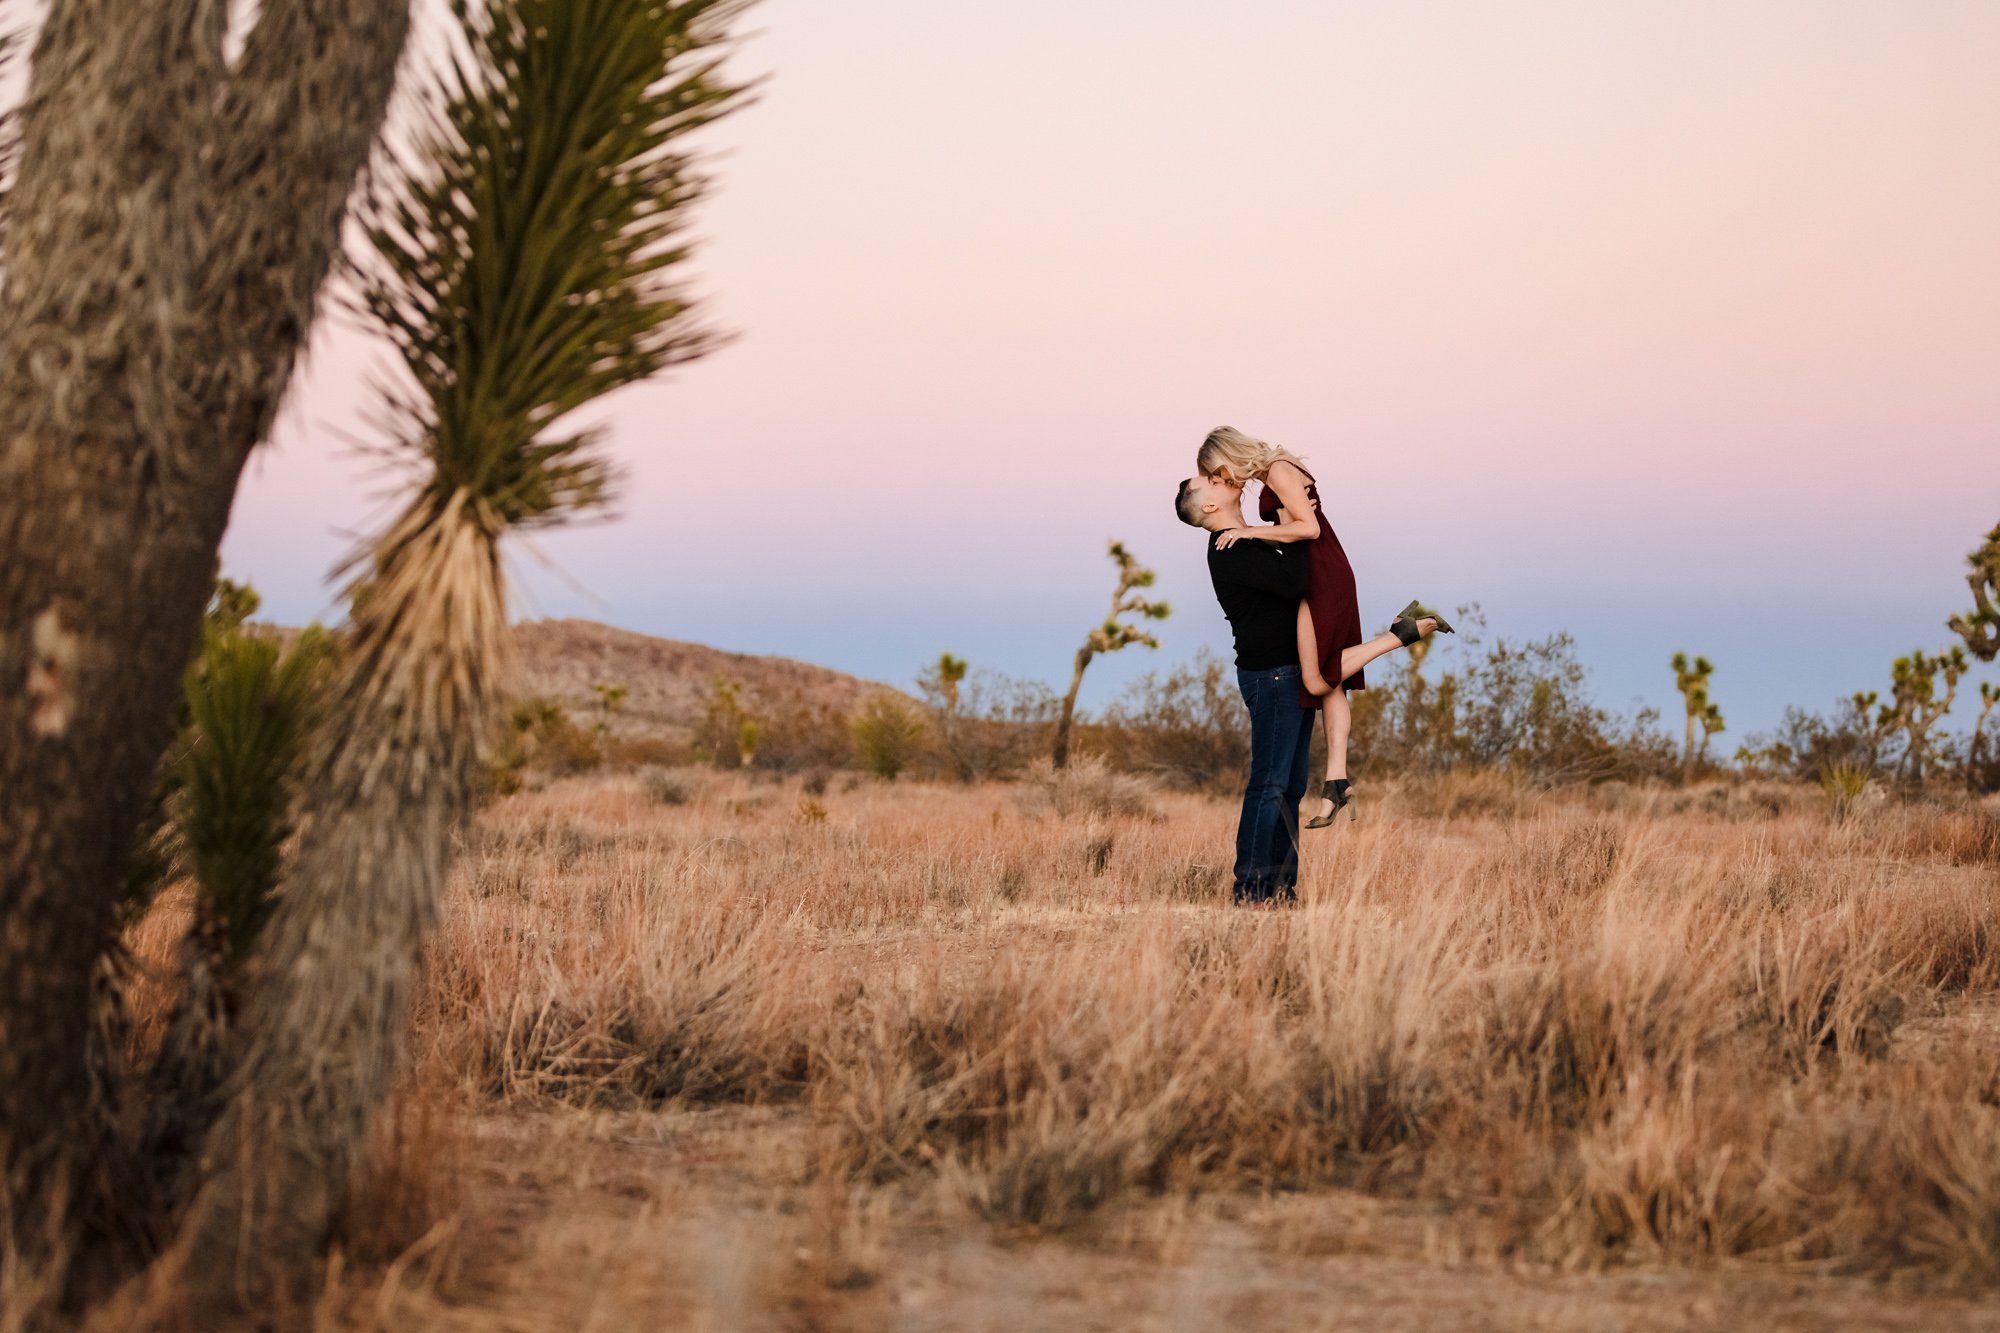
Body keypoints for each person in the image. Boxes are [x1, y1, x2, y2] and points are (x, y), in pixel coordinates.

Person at [1176, 471, 1440, 904]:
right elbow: (1297, 582)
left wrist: (1281, 527)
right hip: (1272, 676)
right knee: (1270, 784)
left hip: (1288, 672)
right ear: (1208, 506)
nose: (1222, 477)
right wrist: (1290, 520)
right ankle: (1252, 890)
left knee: (1290, 785)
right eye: (1211, 481)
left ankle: (1281, 889)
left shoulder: (1246, 539)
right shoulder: (1230, 548)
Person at [1195, 425, 1451, 826]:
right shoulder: (1271, 473)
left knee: (1315, 680)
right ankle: (1336, 782)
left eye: (1215, 473)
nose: (1220, 482)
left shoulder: (1278, 469)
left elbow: (1309, 528)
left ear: (1227, 458)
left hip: (1321, 574)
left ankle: (1399, 634)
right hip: (1319, 570)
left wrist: (1250, 532)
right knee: (1332, 682)